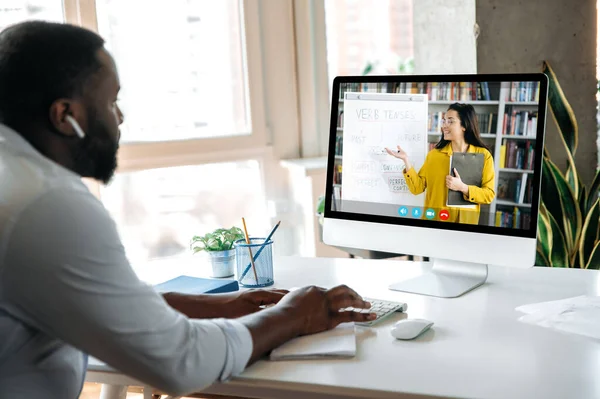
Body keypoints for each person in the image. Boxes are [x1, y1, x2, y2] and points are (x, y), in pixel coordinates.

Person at [0, 21, 376, 398]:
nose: (119, 118)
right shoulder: (47, 205)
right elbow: (182, 362)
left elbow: (102, 299)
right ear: (66, 115)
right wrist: (292, 316)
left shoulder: (14, 178)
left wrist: (225, 305)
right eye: (111, 101)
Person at [386, 103, 495, 224]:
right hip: (435, 222)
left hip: (465, 225)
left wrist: (463, 188)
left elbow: (488, 195)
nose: (444, 126)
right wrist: (406, 160)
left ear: (464, 125)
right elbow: (417, 188)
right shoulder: (434, 155)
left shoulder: (484, 156)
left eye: (450, 121)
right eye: (444, 121)